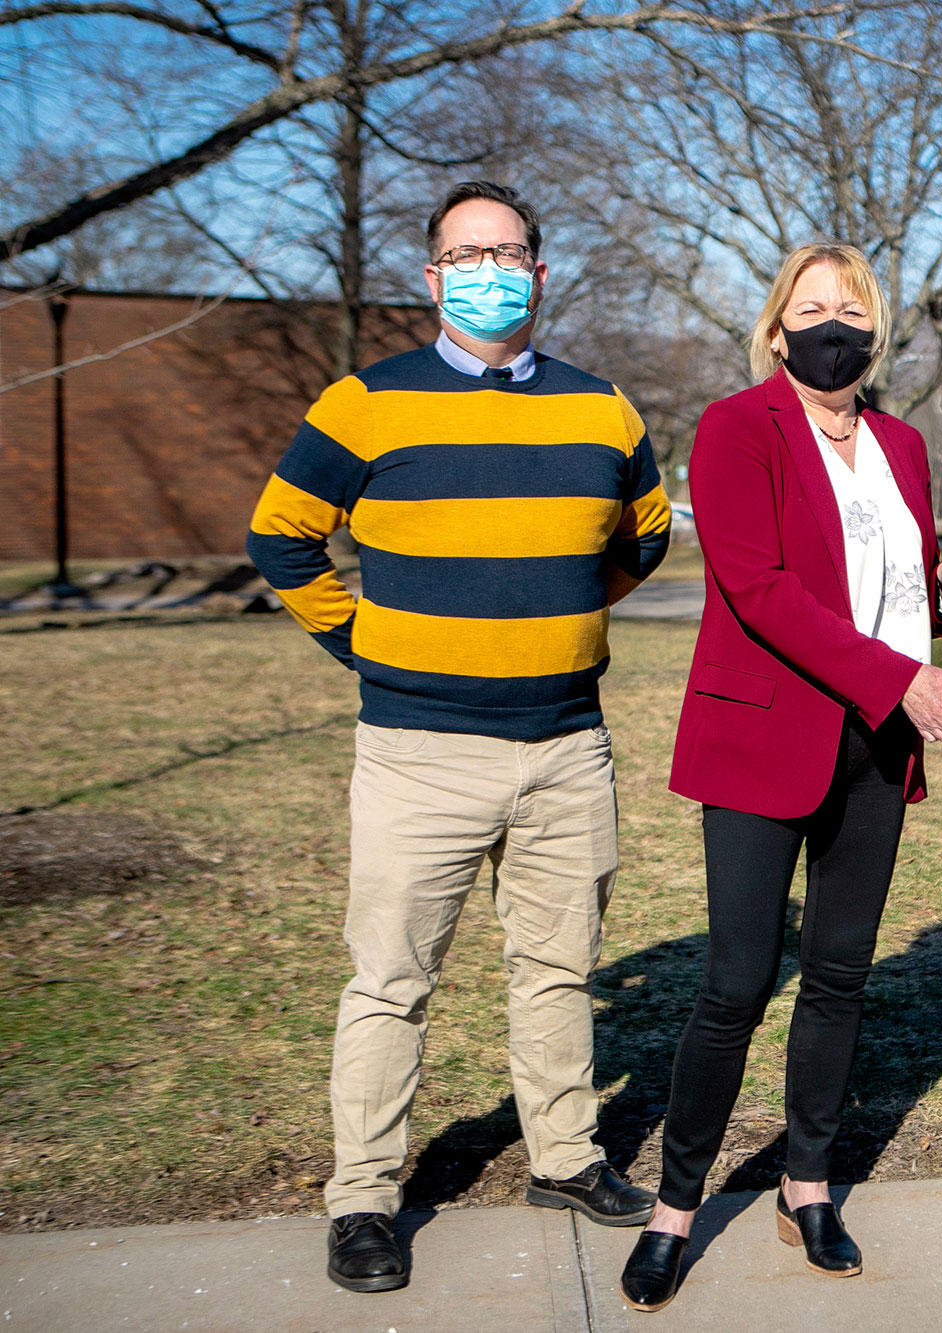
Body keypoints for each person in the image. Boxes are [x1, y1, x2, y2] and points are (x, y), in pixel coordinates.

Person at [246, 181, 673, 1294]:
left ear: (539, 270)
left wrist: (555, 618)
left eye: (509, 251)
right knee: (390, 980)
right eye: (464, 252)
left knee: (557, 968)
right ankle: (363, 1198)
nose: (489, 268)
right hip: (416, 751)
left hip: (565, 747)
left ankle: (568, 1157)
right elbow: (281, 536)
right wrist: (370, 642)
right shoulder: (363, 404)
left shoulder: (604, 410)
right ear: (431, 277)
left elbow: (644, 541)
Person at [617, 242, 942, 1313]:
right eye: (811, 308)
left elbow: (895, 584)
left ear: (875, 332)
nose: (834, 325)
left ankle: (806, 1184)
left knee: (838, 974)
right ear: (776, 330)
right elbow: (761, 588)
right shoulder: (736, 428)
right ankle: (675, 1205)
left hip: (875, 748)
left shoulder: (904, 446)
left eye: (852, 309)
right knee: (735, 981)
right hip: (763, 739)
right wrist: (897, 675)